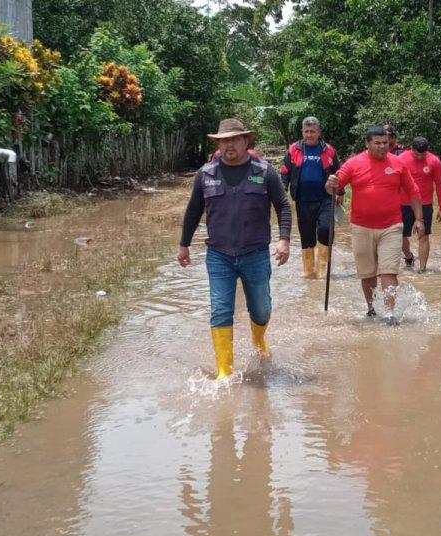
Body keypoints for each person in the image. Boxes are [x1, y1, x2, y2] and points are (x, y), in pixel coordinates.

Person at [179, 118, 292, 380]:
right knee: (221, 309)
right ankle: (224, 371)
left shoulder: (265, 172)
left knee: (261, 309)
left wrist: (284, 238)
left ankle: (259, 341)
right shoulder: (205, 174)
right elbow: (193, 211)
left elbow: (283, 206)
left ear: (245, 141)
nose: (228, 145)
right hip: (219, 255)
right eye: (223, 141)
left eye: (233, 140)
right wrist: (183, 244)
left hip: (255, 253)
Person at [325, 125, 424, 320]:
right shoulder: (353, 163)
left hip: (392, 226)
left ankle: (389, 313)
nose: (382, 147)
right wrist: (330, 184)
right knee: (367, 273)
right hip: (361, 227)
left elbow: (413, 192)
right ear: (367, 144)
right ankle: (371, 309)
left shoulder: (397, 163)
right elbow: (333, 188)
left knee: (389, 271)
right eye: (377, 143)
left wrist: (419, 219)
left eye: (385, 143)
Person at [279, 116, 342, 279]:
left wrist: (340, 193)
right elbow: (285, 171)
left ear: (318, 132)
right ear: (302, 131)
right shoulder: (294, 149)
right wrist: (282, 191)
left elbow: (338, 172)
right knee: (306, 236)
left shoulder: (328, 150)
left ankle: (322, 271)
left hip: (325, 198)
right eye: (306, 131)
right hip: (302, 200)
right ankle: (308, 272)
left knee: (326, 230)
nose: (309, 135)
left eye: (312, 131)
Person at [398, 137, 441, 272]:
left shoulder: (434, 161)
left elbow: (440, 185)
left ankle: (422, 269)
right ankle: (408, 255)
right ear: (411, 149)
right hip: (403, 203)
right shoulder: (401, 159)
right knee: (400, 235)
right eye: (417, 154)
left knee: (423, 235)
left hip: (425, 203)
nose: (420, 157)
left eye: (423, 154)